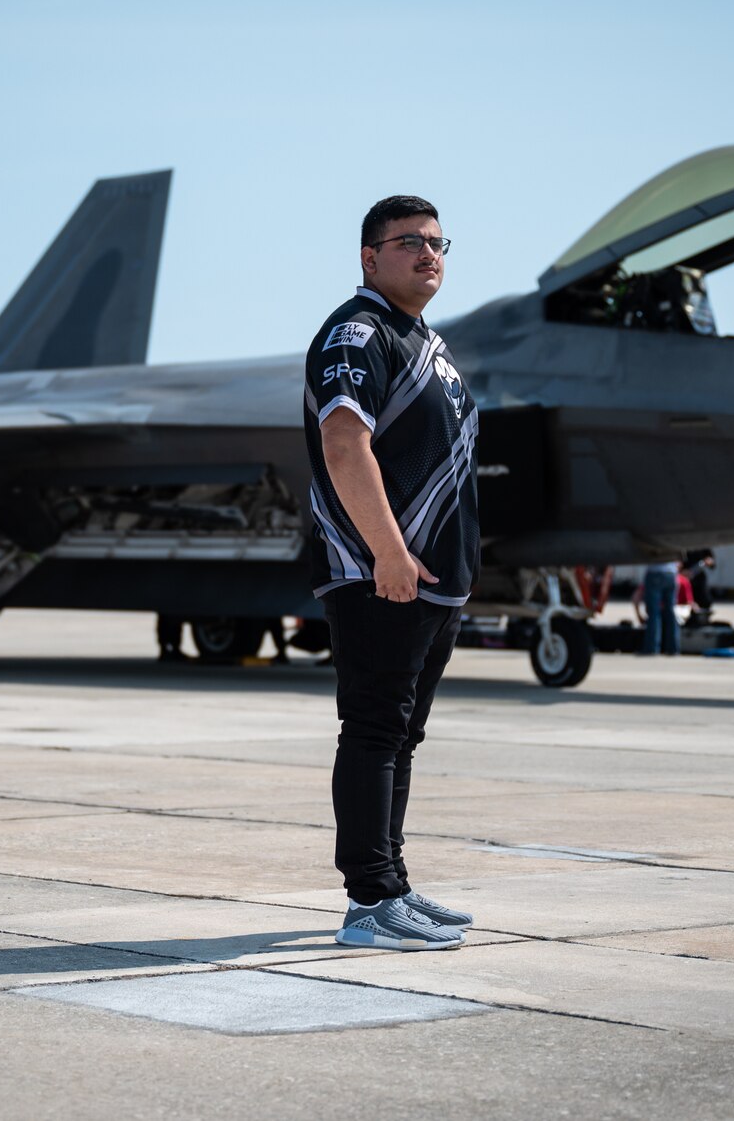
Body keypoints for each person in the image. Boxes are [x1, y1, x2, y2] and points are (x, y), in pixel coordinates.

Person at [304, 194, 481, 951]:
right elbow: (345, 442)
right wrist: (386, 551)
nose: (428, 253)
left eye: (438, 242)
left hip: (427, 578)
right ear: (370, 258)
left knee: (400, 736)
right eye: (408, 241)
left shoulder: (425, 341)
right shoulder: (359, 331)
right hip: (381, 572)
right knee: (374, 729)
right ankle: (369, 900)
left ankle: (393, 884)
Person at [638, 559, 682, 655]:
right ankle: (673, 648)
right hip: (671, 573)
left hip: (656, 572)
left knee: (654, 612)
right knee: (670, 612)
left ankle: (652, 648)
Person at [682, 548, 716, 621]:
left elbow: (711, 561)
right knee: (687, 600)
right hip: (684, 579)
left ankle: (702, 620)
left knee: (705, 599)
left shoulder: (702, 544)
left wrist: (708, 561)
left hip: (699, 577)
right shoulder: (681, 543)